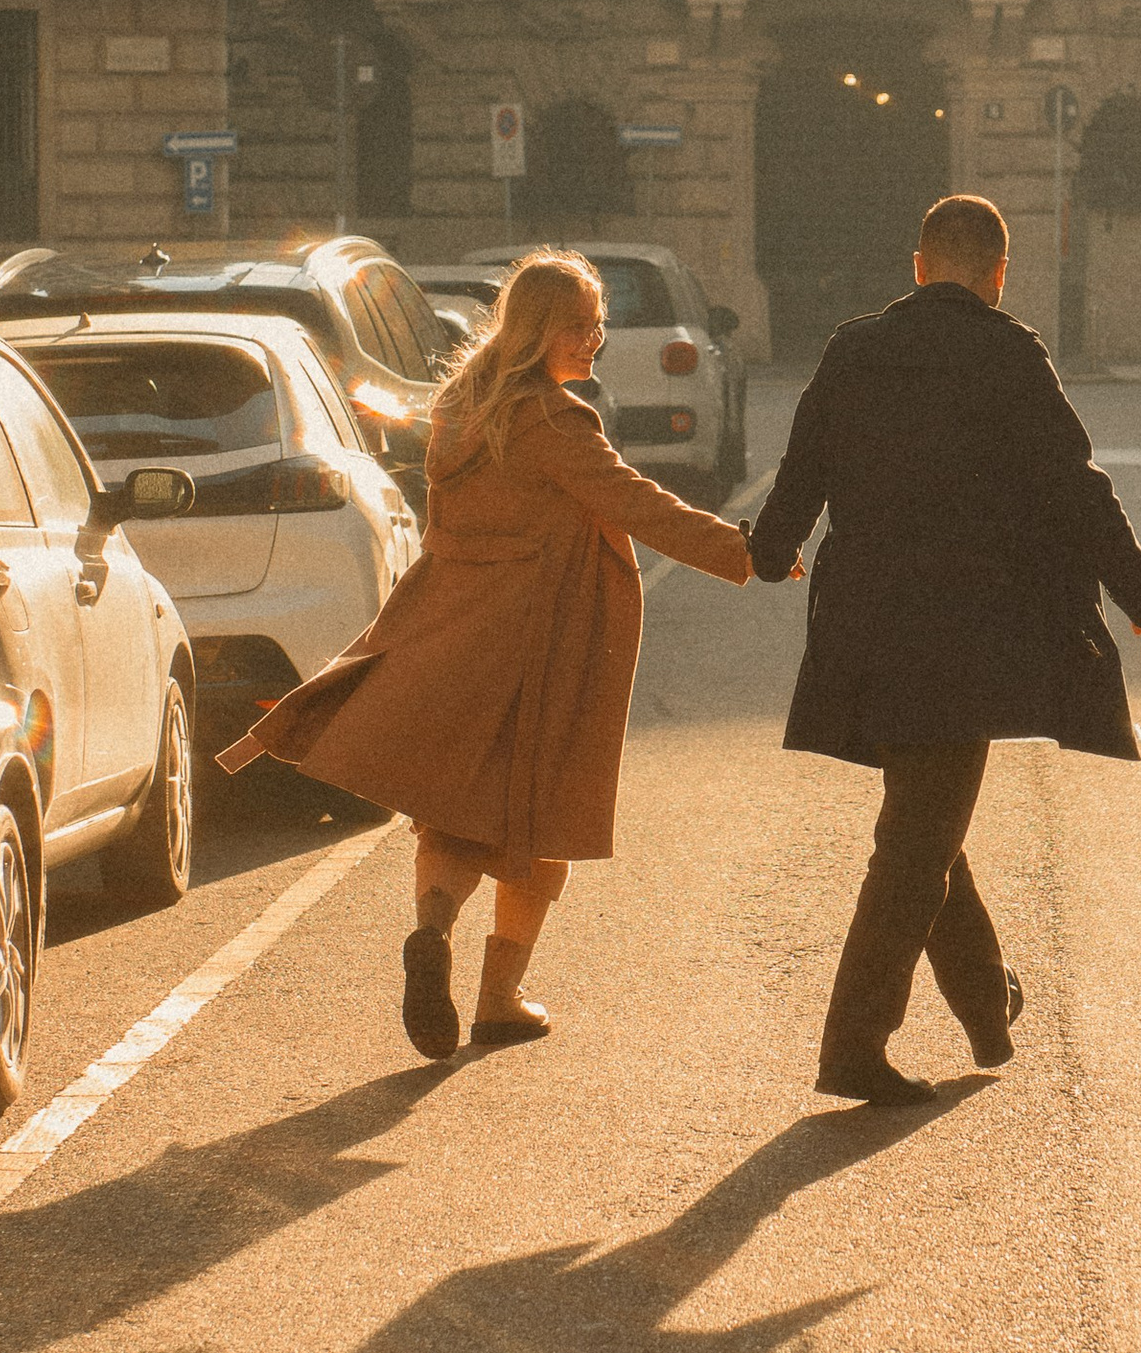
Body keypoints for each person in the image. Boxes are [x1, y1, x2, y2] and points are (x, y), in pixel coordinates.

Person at [219, 248, 755, 1058]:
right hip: (538, 645)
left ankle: (431, 933)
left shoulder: (460, 408)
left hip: (453, 630)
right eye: (579, 325)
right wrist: (745, 551)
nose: (595, 339)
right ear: (539, 327)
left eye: (599, 322)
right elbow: (637, 504)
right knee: (539, 828)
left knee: (451, 815)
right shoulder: (554, 422)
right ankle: (499, 996)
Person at [748, 191, 1141, 1107]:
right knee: (916, 841)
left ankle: (987, 1004)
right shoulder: (1010, 353)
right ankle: (853, 1044)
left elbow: (802, 471)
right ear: (998, 275)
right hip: (967, 639)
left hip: (866, 632)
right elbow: (1075, 487)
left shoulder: (851, 347)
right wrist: (1138, 591)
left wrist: (770, 551)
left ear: (917, 265)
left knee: (925, 821)